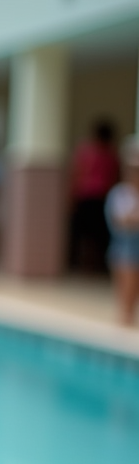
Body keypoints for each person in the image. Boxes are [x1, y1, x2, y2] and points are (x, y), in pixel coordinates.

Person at [69, 120, 120, 274]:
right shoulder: (111, 154)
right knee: (97, 234)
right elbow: (114, 177)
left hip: (87, 197)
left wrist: (71, 196)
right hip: (99, 198)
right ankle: (94, 265)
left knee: (86, 234)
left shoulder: (86, 151)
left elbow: (76, 174)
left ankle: (82, 263)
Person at [105, 140, 139, 327]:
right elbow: (120, 221)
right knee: (124, 283)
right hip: (122, 247)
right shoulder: (119, 193)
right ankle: (124, 317)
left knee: (134, 286)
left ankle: (128, 317)